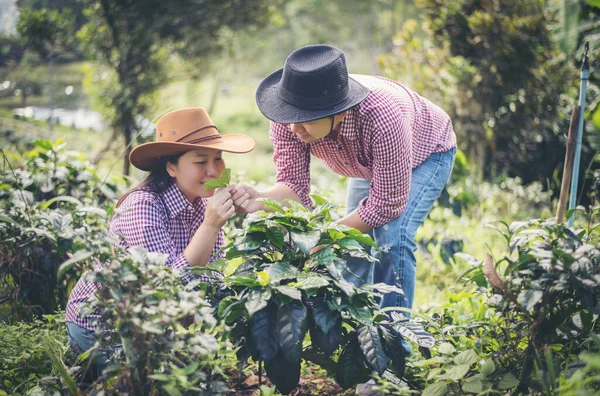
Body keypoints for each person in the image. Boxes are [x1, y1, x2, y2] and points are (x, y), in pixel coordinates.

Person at [233, 44, 456, 342]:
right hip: (368, 163)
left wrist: (326, 237)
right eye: (291, 116)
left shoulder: (383, 117)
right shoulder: (289, 120)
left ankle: (393, 347)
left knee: (392, 238)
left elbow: (387, 204)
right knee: (357, 245)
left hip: (427, 151)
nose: (295, 127)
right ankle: (362, 335)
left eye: (306, 117)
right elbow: (294, 188)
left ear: (338, 112)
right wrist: (258, 198)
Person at [65, 107, 255, 377]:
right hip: (100, 328)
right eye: (201, 161)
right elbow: (164, 289)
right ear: (171, 167)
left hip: (149, 326)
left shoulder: (203, 204)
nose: (214, 170)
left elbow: (209, 280)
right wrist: (210, 225)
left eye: (219, 158)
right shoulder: (143, 205)